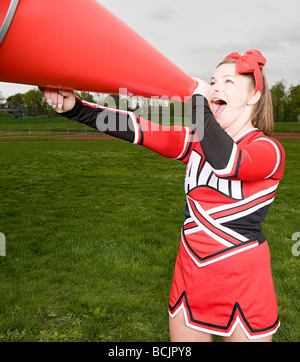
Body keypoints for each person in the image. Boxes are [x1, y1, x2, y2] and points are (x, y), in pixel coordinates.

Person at [43, 50, 285, 342]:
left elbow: (227, 162)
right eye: (212, 81)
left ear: (253, 96)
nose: (215, 88)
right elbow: (137, 127)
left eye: (229, 82)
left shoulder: (269, 150)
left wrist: (198, 102)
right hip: (191, 271)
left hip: (243, 279)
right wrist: (75, 108)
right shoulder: (194, 143)